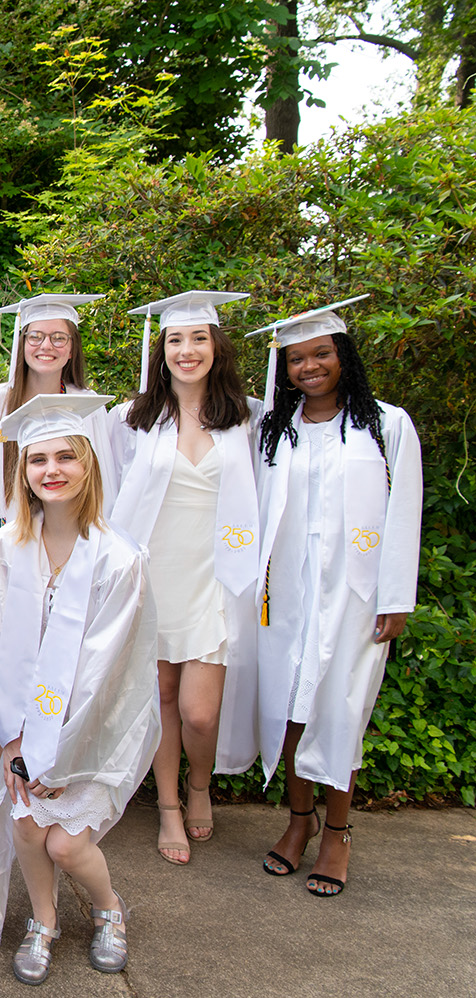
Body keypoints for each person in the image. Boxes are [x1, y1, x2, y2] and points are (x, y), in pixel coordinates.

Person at [0, 394, 161, 985]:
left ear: (88, 465)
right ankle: (45, 922)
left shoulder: (119, 558)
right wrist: (9, 740)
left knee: (65, 846)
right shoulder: (8, 546)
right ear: (22, 472)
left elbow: (106, 674)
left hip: (97, 732)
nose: (50, 471)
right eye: (37, 460)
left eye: (65, 457)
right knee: (27, 827)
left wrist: (55, 752)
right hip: (25, 731)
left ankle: (109, 911)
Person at [247, 297, 422, 898]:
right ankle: (298, 824)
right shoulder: (274, 431)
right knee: (289, 710)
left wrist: (395, 596)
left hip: (355, 593)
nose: (309, 366)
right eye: (296, 359)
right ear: (285, 369)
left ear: (342, 356)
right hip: (286, 593)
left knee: (341, 710)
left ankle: (338, 833)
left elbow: (405, 516)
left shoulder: (387, 425)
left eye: (320, 353)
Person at [110, 291, 262, 865]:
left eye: (198, 338)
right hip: (154, 572)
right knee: (161, 696)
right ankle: (170, 804)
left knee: (200, 710)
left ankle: (201, 784)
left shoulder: (247, 415)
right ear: (161, 350)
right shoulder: (134, 418)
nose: (186, 350)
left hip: (216, 574)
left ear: (216, 347)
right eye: (175, 339)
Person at [0, 294, 115, 658]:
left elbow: (104, 480)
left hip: (66, 547)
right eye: (35, 336)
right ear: (21, 343)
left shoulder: (88, 407)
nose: (47, 346)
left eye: (59, 337)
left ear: (73, 347)